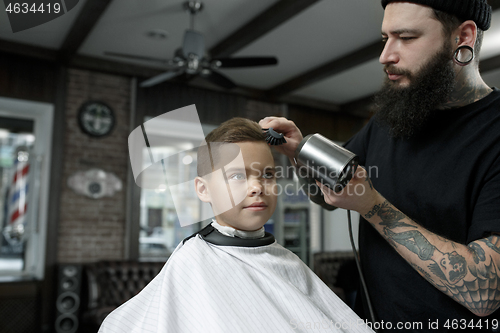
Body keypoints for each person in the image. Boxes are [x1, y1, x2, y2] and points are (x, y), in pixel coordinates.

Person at [260, 1, 500, 331]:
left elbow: (485, 293)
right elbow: (327, 193)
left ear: (464, 36)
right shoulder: (389, 121)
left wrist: (372, 206)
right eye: (385, 37)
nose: (385, 55)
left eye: (406, 37)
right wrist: (300, 153)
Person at [99, 117, 373, 333]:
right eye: (237, 176)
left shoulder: (286, 260)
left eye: (267, 174)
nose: (257, 187)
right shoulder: (191, 262)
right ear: (203, 189)